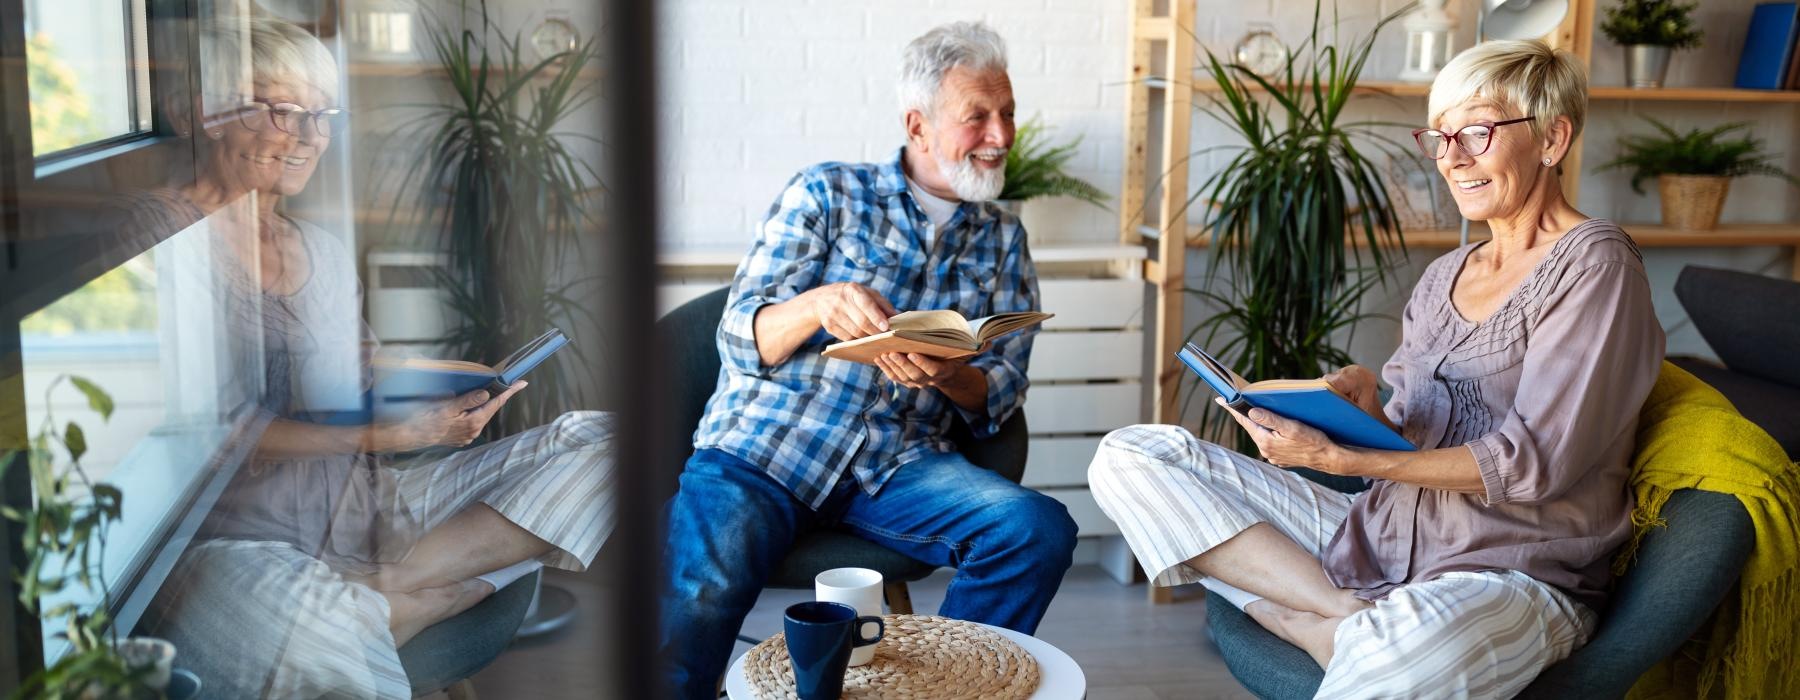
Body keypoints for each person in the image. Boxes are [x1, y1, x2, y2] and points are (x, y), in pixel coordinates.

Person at [1089, 40, 1665, 699]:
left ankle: (1297, 616)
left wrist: (1345, 460)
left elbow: (1534, 464)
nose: (1452, 158)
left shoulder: (1594, 265)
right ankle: (1336, 616)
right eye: (1440, 136)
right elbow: (1406, 437)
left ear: (1553, 139)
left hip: (1509, 573)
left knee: (1401, 654)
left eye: (1476, 131)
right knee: (1133, 455)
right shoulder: (1444, 275)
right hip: (1379, 538)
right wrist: (1362, 414)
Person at [129, 16, 617, 697]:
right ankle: (421, 599)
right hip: (234, 541)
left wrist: (458, 381)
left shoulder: (320, 253)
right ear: (201, 113)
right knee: (302, 628)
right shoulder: (159, 236)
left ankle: (383, 594)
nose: (306, 137)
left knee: (605, 442)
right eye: (279, 109)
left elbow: (357, 370)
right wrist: (397, 434)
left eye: (320, 114)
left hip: (366, 510)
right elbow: (211, 434)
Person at [658, 21, 1077, 698]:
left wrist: (950, 374)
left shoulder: (1003, 238)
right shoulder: (827, 192)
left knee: (1035, 530)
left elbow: (1000, 391)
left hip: (901, 463)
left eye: (1008, 114)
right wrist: (818, 305)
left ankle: (938, 685)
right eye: (978, 117)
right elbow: (739, 336)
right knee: (701, 587)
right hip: (769, 445)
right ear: (919, 124)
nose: (1001, 136)